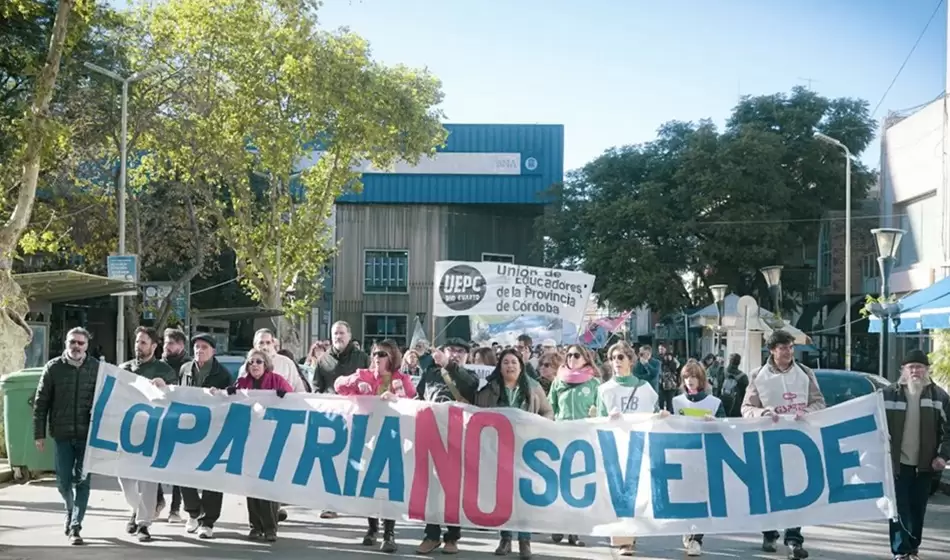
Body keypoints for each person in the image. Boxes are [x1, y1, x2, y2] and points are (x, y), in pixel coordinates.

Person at [741, 329, 825, 560]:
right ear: (772, 350)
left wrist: (807, 411)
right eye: (783, 348)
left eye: (790, 347)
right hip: (769, 440)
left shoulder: (805, 373)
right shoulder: (758, 375)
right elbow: (746, 408)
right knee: (771, 488)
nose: (788, 352)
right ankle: (769, 532)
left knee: (797, 488)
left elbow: (819, 402)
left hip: (798, 441)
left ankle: (794, 539)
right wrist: (762, 412)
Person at [335, 339, 417, 553]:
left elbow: (413, 402)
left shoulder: (401, 379)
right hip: (367, 437)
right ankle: (372, 528)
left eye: (382, 354)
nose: (377, 358)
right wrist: (354, 383)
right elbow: (338, 385)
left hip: (393, 438)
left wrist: (396, 398)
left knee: (390, 487)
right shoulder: (363, 374)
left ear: (392, 358)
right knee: (368, 484)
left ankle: (389, 533)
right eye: (375, 354)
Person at [475, 348, 553, 559]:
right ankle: (505, 538)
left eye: (514, 362)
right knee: (503, 495)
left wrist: (540, 427)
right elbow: (478, 414)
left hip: (526, 449)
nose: (510, 366)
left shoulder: (533, 388)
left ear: (521, 366)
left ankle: (525, 541)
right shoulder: (489, 389)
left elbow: (547, 411)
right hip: (498, 449)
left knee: (523, 496)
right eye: (506, 362)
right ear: (499, 367)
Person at [32, 327, 100, 545]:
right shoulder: (53, 368)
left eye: (81, 343)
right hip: (61, 434)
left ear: (87, 346)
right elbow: (40, 403)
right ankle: (69, 510)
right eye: (73, 342)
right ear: (66, 343)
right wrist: (39, 434)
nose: (77, 346)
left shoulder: (97, 368)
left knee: (82, 481)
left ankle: (76, 526)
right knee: (63, 482)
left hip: (87, 436)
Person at [414, 338, 480, 554]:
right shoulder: (430, 374)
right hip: (431, 435)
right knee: (431, 488)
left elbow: (468, 386)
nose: (456, 354)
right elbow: (418, 396)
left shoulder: (470, 376)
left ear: (467, 356)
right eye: (452, 350)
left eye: (461, 351)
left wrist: (448, 365)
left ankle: (452, 536)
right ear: (443, 351)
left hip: (457, 438)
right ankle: (431, 534)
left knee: (454, 489)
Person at [883, 349, 950, 560]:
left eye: (920, 367)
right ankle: (900, 550)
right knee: (898, 508)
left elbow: (948, 431)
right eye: (911, 367)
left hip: (926, 464)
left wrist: (943, 456)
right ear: (903, 370)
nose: (915, 371)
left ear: (927, 370)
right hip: (896, 463)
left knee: (917, 509)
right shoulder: (888, 394)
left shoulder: (940, 396)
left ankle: (912, 549)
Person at [226, 349, 295, 542]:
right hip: (249, 440)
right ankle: (255, 526)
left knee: (267, 485)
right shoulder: (242, 383)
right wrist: (229, 394)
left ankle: (270, 527)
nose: (254, 365)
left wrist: (286, 396)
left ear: (266, 364)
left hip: (272, 439)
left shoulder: (277, 380)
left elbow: (296, 402)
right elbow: (229, 405)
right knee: (251, 486)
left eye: (258, 361)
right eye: (251, 362)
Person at [597, 340, 658, 556]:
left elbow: (655, 414)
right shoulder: (604, 389)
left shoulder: (645, 389)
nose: (616, 362)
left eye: (620, 357)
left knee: (635, 492)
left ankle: (629, 537)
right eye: (613, 358)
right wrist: (607, 420)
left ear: (630, 361)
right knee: (617, 493)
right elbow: (597, 420)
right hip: (613, 447)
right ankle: (623, 537)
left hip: (638, 446)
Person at [118, 326, 179, 542]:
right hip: (126, 432)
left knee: (148, 480)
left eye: (143, 342)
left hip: (153, 433)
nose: (138, 346)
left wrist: (166, 388)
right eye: (137, 341)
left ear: (154, 346)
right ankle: (137, 509)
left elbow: (176, 400)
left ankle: (143, 524)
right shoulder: (123, 369)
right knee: (125, 481)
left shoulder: (165, 371)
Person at [177, 333, 232, 539]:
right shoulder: (185, 369)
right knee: (183, 473)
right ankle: (193, 512)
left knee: (212, 478)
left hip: (213, 431)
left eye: (204, 347)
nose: (199, 351)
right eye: (197, 347)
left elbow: (231, 399)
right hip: (187, 430)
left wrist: (220, 395)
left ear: (213, 351)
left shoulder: (223, 374)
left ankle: (208, 522)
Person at [547, 344, 601, 547]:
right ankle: (559, 526)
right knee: (560, 484)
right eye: (568, 355)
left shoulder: (594, 383)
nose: (571, 358)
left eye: (576, 355)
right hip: (560, 438)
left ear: (585, 358)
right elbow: (550, 408)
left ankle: (575, 530)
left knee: (578, 485)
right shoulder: (558, 381)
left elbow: (601, 411)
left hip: (583, 440)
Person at [673, 361, 725, 557]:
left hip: (706, 457)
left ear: (701, 379)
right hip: (683, 456)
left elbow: (727, 428)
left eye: (693, 377)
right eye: (686, 377)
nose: (690, 381)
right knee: (685, 497)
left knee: (702, 498)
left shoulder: (714, 403)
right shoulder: (677, 402)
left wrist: (717, 423)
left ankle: (696, 538)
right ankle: (688, 529)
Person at [156, 327, 191, 523]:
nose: (166, 346)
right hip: (162, 419)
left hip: (182, 420)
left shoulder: (188, 365)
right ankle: (159, 499)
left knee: (179, 466)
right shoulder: (159, 365)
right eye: (166, 342)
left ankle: (175, 508)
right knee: (157, 462)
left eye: (171, 343)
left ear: (181, 345)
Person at [717, 353, 748, 418]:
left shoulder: (721, 371)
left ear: (729, 361)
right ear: (739, 362)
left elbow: (717, 388)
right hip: (736, 408)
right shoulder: (743, 377)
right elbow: (745, 395)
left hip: (722, 405)